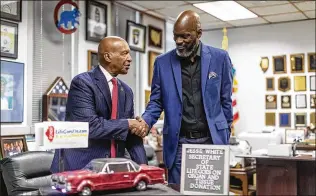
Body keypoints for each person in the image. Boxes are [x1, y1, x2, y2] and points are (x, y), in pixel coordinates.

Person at [137, 10, 233, 184]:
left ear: (199, 34)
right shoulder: (162, 62)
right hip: (179, 142)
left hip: (212, 140)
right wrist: (145, 121)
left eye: (185, 36)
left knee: (210, 191)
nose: (179, 41)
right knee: (177, 190)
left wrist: (225, 129)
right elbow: (156, 101)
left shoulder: (220, 58)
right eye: (176, 37)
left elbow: (225, 99)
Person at [51, 36, 148, 173]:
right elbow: (90, 126)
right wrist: (129, 123)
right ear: (108, 57)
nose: (130, 58)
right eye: (124, 53)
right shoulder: (83, 83)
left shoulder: (126, 91)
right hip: (80, 168)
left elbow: (130, 136)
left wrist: (145, 169)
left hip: (113, 169)